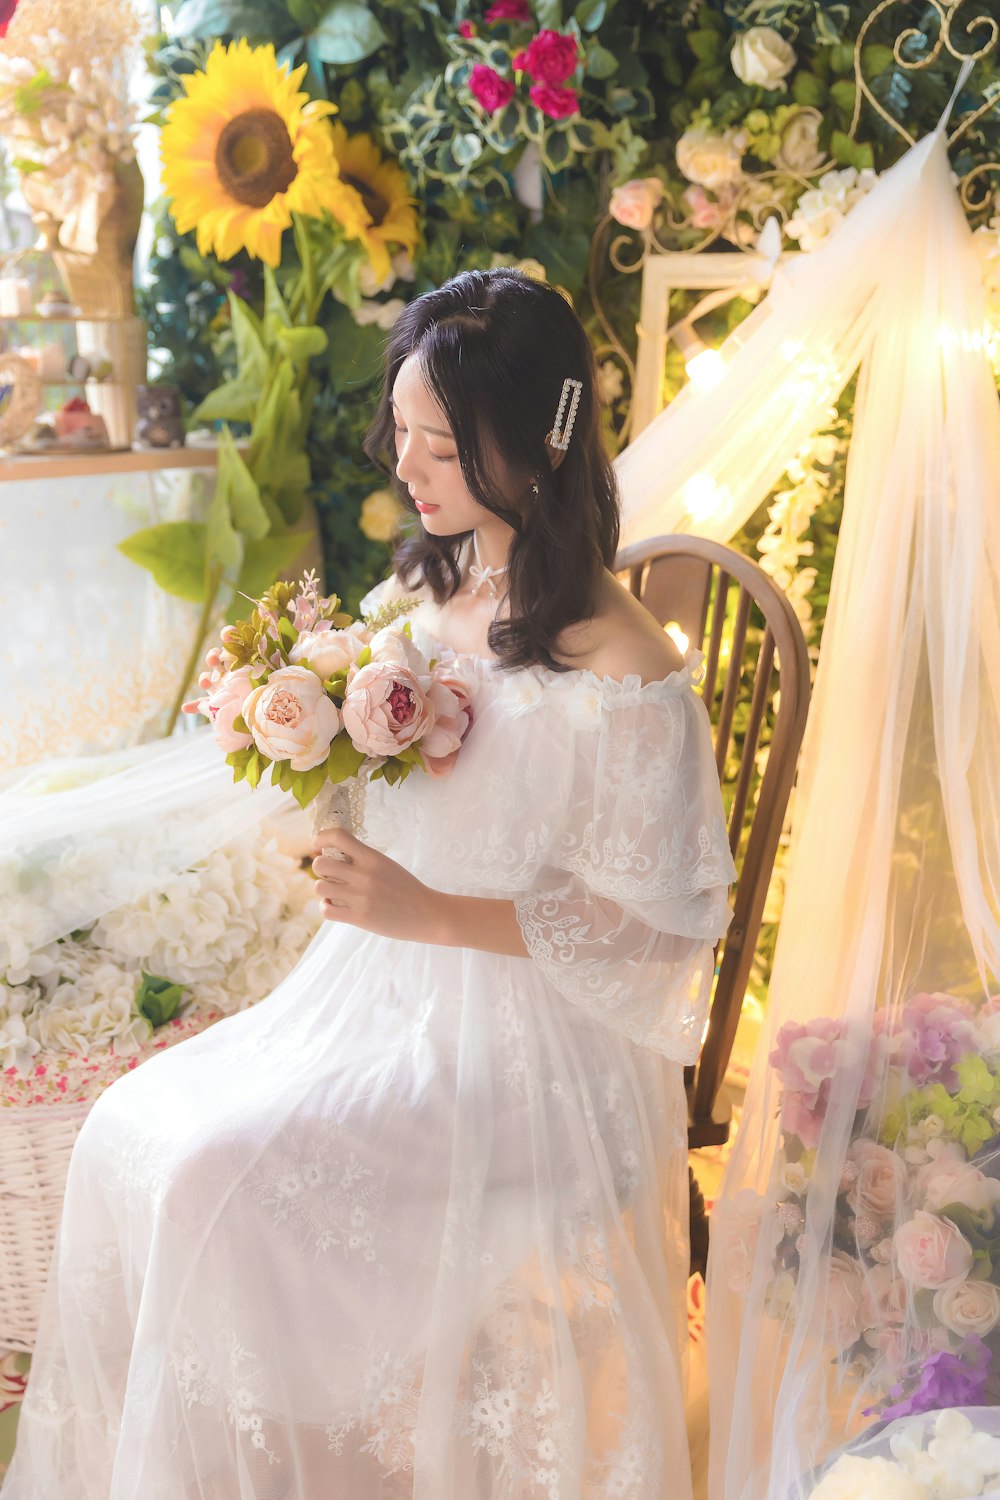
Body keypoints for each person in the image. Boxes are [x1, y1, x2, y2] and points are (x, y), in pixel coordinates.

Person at [1, 268, 737, 1500]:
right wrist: (311, 762)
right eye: (399, 433)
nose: (408, 467)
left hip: (523, 1044)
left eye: (439, 444)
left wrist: (427, 911)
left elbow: (650, 936)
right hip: (379, 993)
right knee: (128, 1128)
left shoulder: (622, 665)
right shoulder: (423, 595)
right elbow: (386, 795)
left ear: (533, 444)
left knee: (205, 1177)